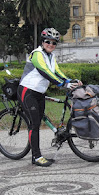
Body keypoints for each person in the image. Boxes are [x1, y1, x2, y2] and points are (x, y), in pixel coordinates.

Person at [17, 28, 82, 167]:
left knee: (38, 123)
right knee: (34, 124)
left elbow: (57, 72)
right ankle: (36, 157)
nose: (50, 44)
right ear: (42, 42)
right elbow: (45, 72)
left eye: (54, 43)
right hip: (27, 91)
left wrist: (70, 81)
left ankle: (37, 154)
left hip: (39, 93)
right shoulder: (36, 54)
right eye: (48, 41)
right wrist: (62, 83)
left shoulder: (51, 57)